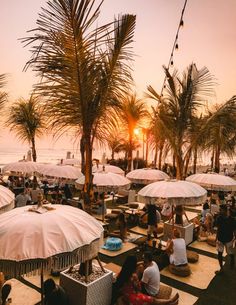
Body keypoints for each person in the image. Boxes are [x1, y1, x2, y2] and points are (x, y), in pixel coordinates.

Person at [112, 255, 179, 305]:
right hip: (133, 297)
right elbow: (139, 288)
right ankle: (169, 301)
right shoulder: (134, 276)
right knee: (153, 300)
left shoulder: (122, 273)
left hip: (126, 295)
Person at [214, 204, 236, 274]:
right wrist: (216, 237)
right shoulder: (219, 218)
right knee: (220, 253)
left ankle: (232, 261)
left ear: (225, 210)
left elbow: (234, 230)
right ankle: (222, 268)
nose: (219, 211)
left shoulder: (232, 219)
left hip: (228, 239)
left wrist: (235, 237)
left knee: (230, 252)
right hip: (221, 239)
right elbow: (218, 228)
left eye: (221, 210)